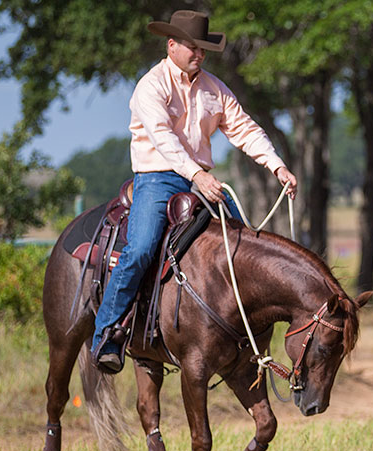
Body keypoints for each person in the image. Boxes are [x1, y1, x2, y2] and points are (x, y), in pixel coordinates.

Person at [91, 10, 297, 373]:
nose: (198, 55)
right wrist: (197, 175)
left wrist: (276, 164)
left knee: (242, 245)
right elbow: (164, 140)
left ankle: (241, 333)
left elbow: (244, 129)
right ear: (171, 45)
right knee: (140, 249)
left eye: (202, 49)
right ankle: (107, 333)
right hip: (157, 178)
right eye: (191, 47)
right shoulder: (151, 86)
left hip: (199, 178)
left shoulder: (215, 89)